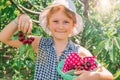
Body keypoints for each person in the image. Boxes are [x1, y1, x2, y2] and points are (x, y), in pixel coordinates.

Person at [0, 0, 113, 80]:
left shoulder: (79, 52)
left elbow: (109, 76)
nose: (60, 26)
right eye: (55, 21)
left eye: (66, 22)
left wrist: (95, 76)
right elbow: (5, 38)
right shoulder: (39, 44)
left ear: (73, 25)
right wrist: (19, 18)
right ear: (48, 23)